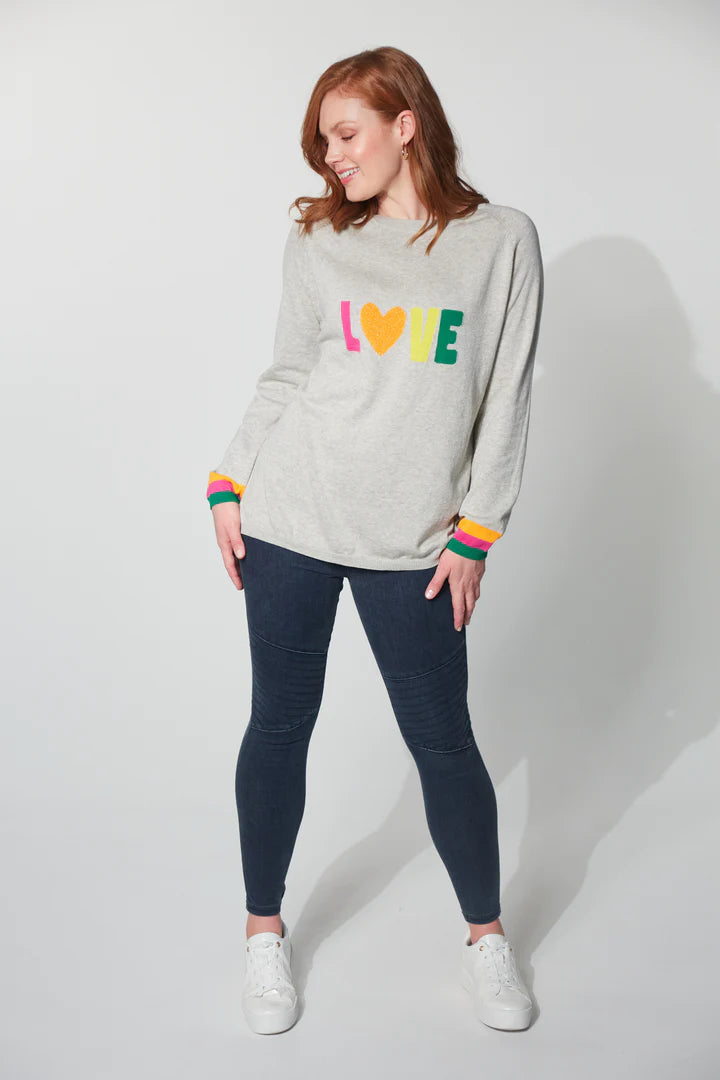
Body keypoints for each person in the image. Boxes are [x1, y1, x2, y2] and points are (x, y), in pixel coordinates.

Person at [206, 46, 544, 1036]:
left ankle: (486, 937)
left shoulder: (500, 241)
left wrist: (478, 531)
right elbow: (287, 374)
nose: (332, 157)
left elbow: (506, 396)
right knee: (279, 725)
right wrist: (228, 479)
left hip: (417, 540)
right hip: (292, 516)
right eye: (323, 142)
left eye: (346, 134)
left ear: (406, 123)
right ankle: (263, 933)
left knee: (443, 741)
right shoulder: (319, 239)